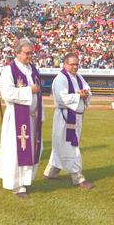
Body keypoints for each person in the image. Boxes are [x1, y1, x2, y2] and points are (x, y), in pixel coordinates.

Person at [0, 38, 44, 198]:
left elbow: (38, 93)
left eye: (31, 53)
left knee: (31, 150)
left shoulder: (32, 69)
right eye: (27, 53)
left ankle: (25, 181)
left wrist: (39, 112)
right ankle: (16, 184)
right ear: (17, 53)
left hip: (31, 118)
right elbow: (7, 93)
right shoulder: (9, 71)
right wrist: (28, 90)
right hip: (16, 119)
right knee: (15, 151)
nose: (30, 56)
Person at [43, 52, 94, 189]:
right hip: (64, 117)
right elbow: (61, 98)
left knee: (60, 146)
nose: (75, 67)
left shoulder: (78, 77)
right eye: (72, 64)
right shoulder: (61, 79)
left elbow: (87, 88)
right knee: (71, 146)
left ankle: (51, 172)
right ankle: (78, 177)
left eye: (77, 64)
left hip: (76, 116)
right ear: (65, 64)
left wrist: (85, 93)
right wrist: (79, 96)